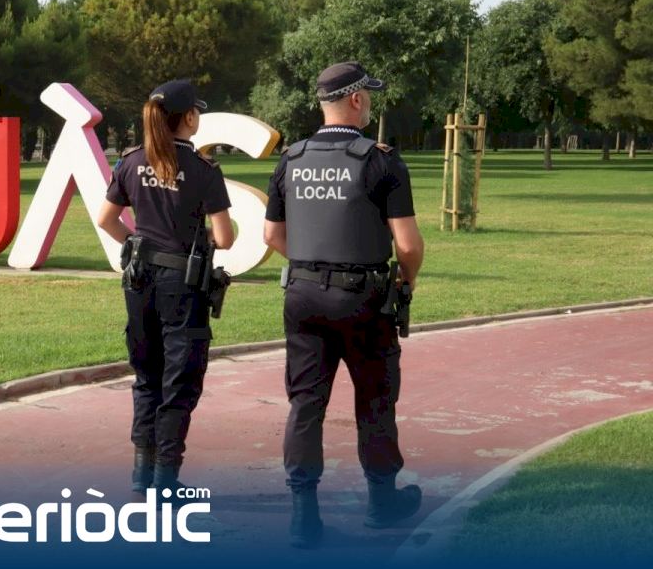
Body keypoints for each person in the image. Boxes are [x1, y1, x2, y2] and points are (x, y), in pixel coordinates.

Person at [262, 62, 426, 548]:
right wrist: (407, 279)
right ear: (356, 100)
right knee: (375, 399)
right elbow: (408, 245)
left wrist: (315, 265)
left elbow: (271, 235)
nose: (370, 102)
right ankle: (382, 503)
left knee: (305, 404)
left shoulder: (291, 159)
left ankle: (303, 518)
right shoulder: (382, 161)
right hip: (364, 299)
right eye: (368, 95)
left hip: (302, 296)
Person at [96, 79, 234, 493]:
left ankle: (142, 476)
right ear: (188, 117)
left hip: (139, 280)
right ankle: (166, 483)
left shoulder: (132, 161)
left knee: (146, 377)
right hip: (182, 286)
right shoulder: (203, 169)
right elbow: (225, 238)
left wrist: (136, 245)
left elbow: (106, 219)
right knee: (179, 382)